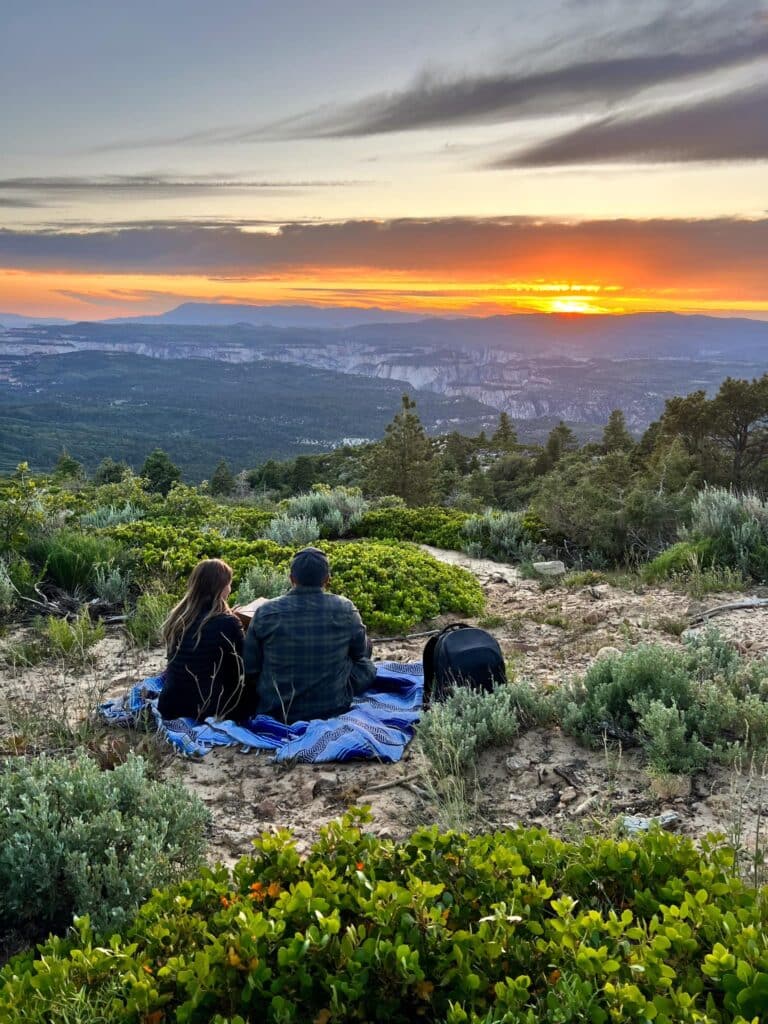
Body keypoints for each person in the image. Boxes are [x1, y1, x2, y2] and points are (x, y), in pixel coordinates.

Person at [243, 546, 376, 724]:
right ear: (327, 579)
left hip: (276, 709)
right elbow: (359, 653)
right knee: (367, 662)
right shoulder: (345, 608)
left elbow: (251, 668)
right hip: (333, 706)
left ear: (291, 579)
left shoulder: (265, 611)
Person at [157, 558, 256, 722]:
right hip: (210, 709)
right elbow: (243, 667)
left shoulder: (177, 618)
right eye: (229, 584)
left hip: (171, 705)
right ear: (221, 587)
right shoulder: (227, 622)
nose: (230, 589)